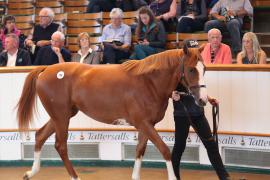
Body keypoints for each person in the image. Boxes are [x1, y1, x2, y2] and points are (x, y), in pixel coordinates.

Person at [171, 39, 231, 180]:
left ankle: (224, 177)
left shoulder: (198, 65)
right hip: (182, 113)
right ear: (186, 51)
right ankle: (174, 177)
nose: (195, 52)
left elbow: (197, 87)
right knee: (179, 146)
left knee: (211, 144)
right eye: (193, 50)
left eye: (197, 49)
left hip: (197, 111)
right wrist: (171, 94)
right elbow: (166, 88)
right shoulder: (177, 68)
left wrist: (208, 98)